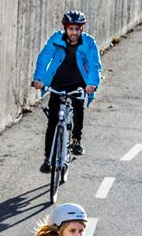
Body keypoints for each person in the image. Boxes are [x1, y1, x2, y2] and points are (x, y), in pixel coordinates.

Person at [32, 10, 102, 173]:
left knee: (78, 108)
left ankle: (76, 140)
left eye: (78, 29)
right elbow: (44, 58)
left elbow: (94, 65)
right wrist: (38, 79)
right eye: (71, 29)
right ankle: (48, 159)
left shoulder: (89, 42)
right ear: (65, 28)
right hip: (57, 83)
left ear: (82, 29)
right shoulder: (56, 39)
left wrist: (92, 83)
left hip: (79, 84)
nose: (74, 32)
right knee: (52, 122)